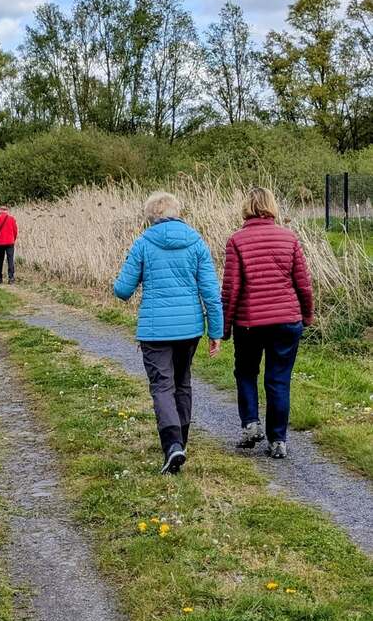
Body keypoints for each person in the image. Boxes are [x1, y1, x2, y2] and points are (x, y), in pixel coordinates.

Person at [114, 191, 223, 474]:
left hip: (155, 330)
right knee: (182, 382)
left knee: (162, 385)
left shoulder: (143, 243)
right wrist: (216, 331)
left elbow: (122, 290)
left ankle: (173, 445)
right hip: (190, 328)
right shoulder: (196, 242)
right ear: (178, 212)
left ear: (150, 216)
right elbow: (211, 293)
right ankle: (180, 441)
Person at [222, 185, 314, 459]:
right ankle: (278, 441)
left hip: (250, 322)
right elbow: (303, 284)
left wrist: (224, 326)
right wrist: (307, 314)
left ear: (246, 208)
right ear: (272, 207)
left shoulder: (237, 240)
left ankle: (251, 424)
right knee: (279, 379)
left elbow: (231, 289)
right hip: (287, 320)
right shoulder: (289, 238)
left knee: (246, 372)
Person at [0, 206, 18, 284]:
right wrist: (13, 239)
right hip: (10, 242)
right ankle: (11, 278)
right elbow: (15, 231)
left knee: (0, 260)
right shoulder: (12, 219)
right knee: (10, 260)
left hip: (0, 242)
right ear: (7, 211)